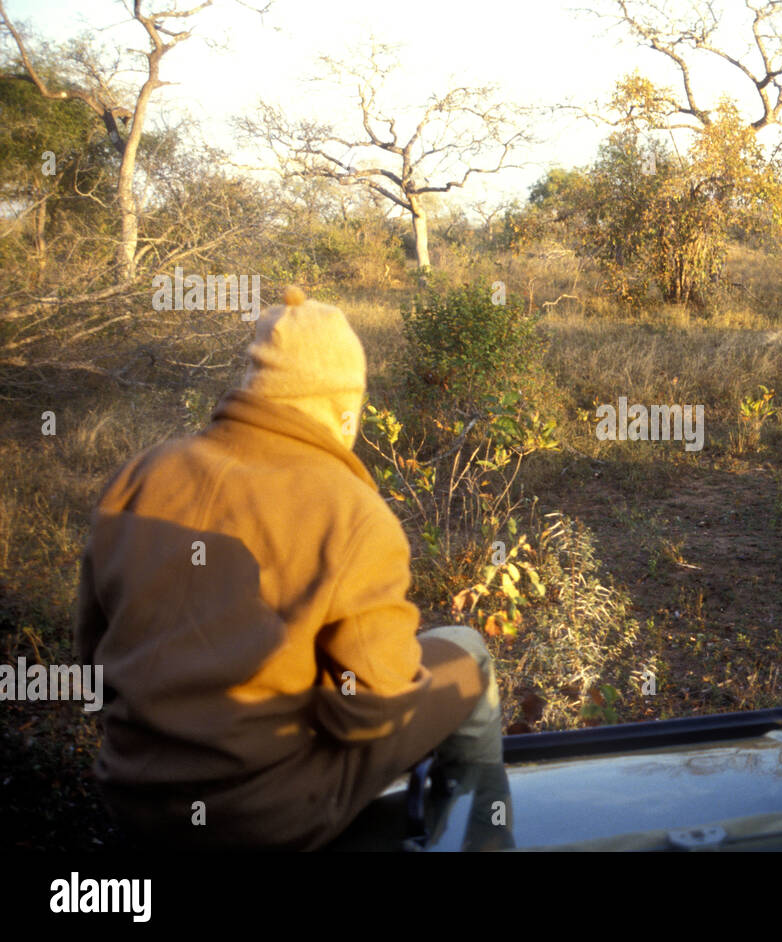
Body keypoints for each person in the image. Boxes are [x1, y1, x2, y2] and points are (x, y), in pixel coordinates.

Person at [74, 287, 501, 850]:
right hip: (266, 822)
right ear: (345, 409)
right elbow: (373, 713)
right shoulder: (352, 513)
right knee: (468, 649)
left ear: (254, 387)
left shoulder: (142, 474)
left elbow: (91, 664)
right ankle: (486, 834)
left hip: (132, 804)